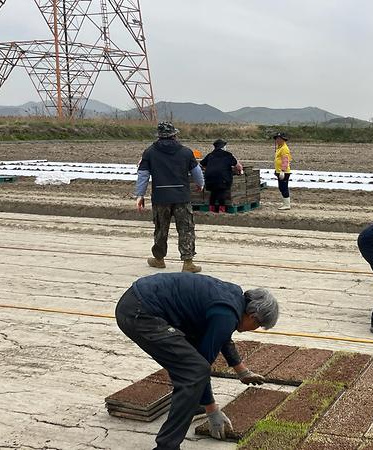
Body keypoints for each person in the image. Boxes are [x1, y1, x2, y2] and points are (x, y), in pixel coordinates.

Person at [115, 272, 279, 450]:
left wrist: (241, 370)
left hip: (138, 301)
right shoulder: (226, 314)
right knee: (194, 371)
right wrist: (212, 409)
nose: (253, 330)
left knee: (189, 363)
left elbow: (222, 335)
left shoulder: (232, 298)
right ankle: (167, 446)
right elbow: (202, 366)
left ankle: (192, 405)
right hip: (141, 314)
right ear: (253, 317)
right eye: (258, 326)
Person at [136, 122, 204, 273]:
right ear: (175, 135)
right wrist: (201, 184)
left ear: (159, 136)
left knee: (161, 229)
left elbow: (143, 175)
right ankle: (188, 263)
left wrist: (140, 195)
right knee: (186, 229)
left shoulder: (150, 152)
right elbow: (197, 172)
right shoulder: (186, 152)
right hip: (182, 197)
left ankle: (159, 259)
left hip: (160, 197)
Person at [200, 139, 243, 213]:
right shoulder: (228, 155)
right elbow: (238, 167)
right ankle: (221, 210)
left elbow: (201, 165)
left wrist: (209, 168)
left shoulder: (210, 155)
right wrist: (238, 171)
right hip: (223, 178)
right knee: (221, 193)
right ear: (223, 147)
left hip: (209, 178)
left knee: (213, 193)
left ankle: (211, 210)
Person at [273, 132, 292, 211]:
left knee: (283, 187)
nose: (278, 140)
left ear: (283, 139)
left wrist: (282, 171)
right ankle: (285, 203)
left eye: (279, 139)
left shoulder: (284, 148)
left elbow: (285, 160)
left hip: (284, 172)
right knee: (281, 187)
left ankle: (287, 204)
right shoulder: (279, 147)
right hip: (279, 171)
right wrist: (277, 170)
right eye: (277, 138)